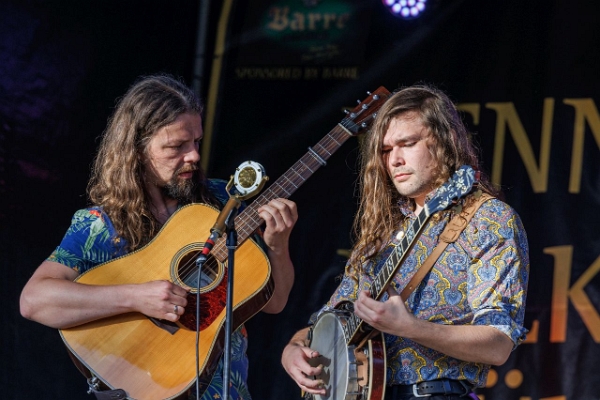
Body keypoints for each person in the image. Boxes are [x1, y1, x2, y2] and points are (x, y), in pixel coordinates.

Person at [19, 74, 297, 400]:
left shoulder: (225, 201)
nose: (194, 156)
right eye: (177, 146)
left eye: (196, 142)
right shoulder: (100, 225)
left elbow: (274, 302)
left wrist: (278, 245)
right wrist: (137, 297)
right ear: (136, 150)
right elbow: (34, 300)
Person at [281, 84, 529, 399]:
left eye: (408, 144)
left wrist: (409, 327)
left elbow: (498, 344)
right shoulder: (383, 231)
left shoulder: (489, 219)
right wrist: (293, 348)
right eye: (385, 150)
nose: (395, 160)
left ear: (446, 142)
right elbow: (331, 319)